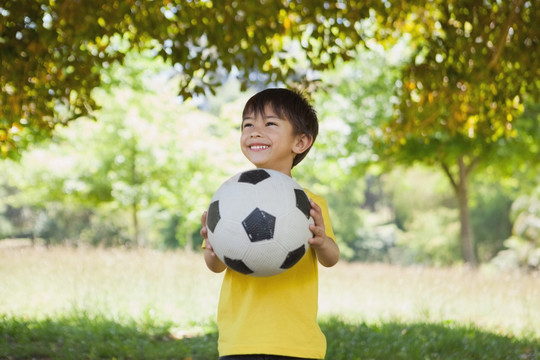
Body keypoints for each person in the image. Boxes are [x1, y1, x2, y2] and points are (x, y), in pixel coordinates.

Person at [200, 88, 340, 360]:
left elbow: (331, 259)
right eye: (248, 124)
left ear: (300, 142)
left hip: (297, 344)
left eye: (270, 123)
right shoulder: (229, 200)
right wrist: (212, 247)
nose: (254, 131)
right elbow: (215, 266)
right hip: (239, 342)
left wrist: (322, 241)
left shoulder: (310, 203)